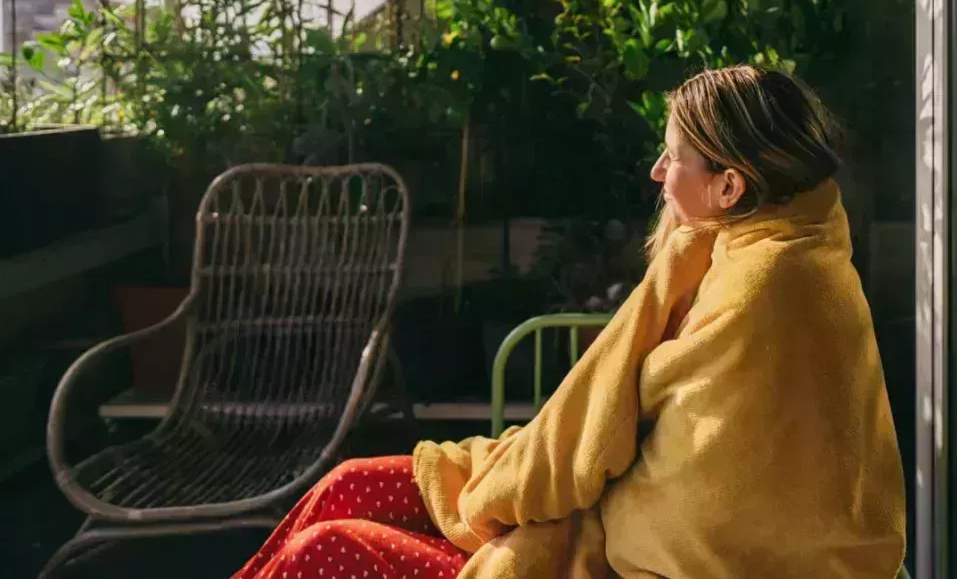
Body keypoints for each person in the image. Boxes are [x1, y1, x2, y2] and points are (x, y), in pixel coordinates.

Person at [233, 65, 907, 579]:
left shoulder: (766, 283)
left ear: (729, 188)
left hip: (624, 555)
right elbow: (612, 430)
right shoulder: (763, 245)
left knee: (327, 551)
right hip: (603, 509)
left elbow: (611, 455)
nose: (655, 171)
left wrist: (493, 500)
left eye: (671, 157)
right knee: (347, 482)